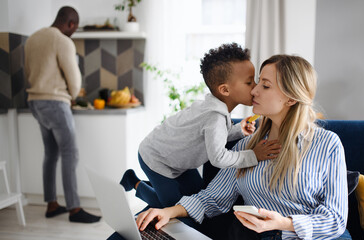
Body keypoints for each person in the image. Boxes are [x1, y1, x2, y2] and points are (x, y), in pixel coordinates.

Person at [134, 54, 351, 240]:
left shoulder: (328, 144)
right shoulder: (246, 147)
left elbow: (336, 219)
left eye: (265, 86)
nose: (254, 91)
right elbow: (211, 198)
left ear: (291, 99)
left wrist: (284, 223)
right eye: (256, 83)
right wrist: (168, 212)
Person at [120, 43, 281, 211]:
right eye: (249, 82)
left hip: (177, 159)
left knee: (197, 197)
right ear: (225, 90)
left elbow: (213, 137)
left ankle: (151, 188)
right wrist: (253, 155)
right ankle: (135, 182)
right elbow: (218, 157)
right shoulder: (214, 116)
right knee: (174, 207)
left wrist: (237, 131)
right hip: (156, 158)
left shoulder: (216, 109)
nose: (255, 87)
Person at [25, 6, 101, 223]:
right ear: (71, 24)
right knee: (70, 153)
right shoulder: (62, 41)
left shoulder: (33, 39)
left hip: (35, 102)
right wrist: (74, 94)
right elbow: (74, 79)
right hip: (55, 103)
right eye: (74, 28)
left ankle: (51, 204)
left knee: (50, 153)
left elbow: (29, 72)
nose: (73, 32)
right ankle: (75, 209)